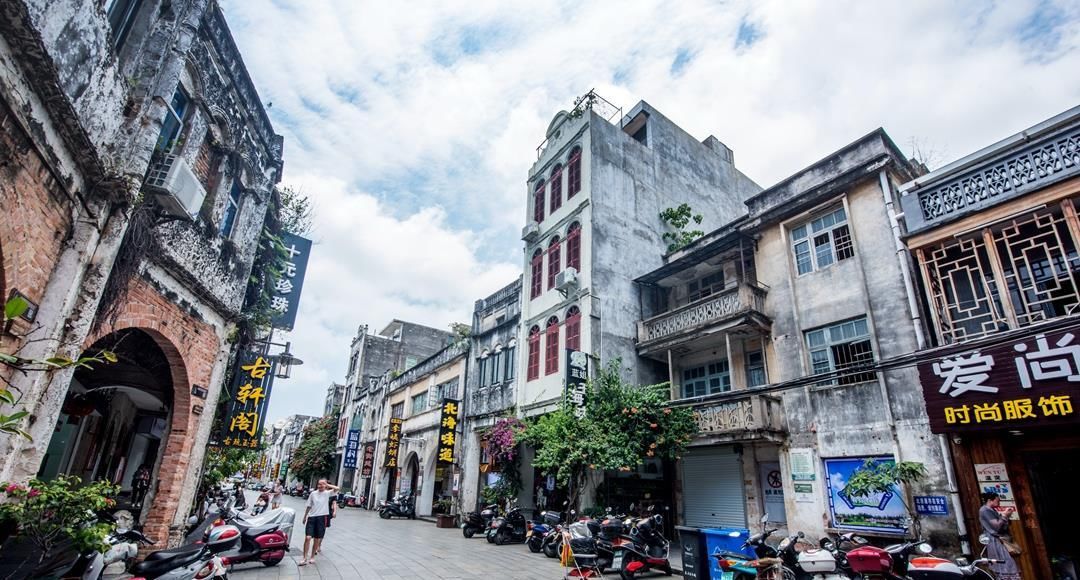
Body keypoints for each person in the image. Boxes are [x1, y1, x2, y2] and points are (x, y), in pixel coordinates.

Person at [979, 492, 1021, 580]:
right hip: (995, 541)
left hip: (999, 540)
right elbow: (997, 526)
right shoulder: (985, 510)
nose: (999, 503)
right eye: (997, 501)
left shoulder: (991, 510)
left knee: (1006, 563)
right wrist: (1005, 515)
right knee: (1004, 563)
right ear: (990, 500)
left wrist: (1006, 517)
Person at [299, 479, 339, 566]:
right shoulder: (313, 494)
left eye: (322, 484)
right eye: (319, 484)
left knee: (317, 539)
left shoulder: (327, 493)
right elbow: (309, 506)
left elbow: (337, 488)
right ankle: (304, 557)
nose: (320, 486)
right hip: (312, 517)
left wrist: (327, 485)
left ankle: (312, 557)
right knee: (308, 538)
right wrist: (305, 516)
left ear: (325, 485)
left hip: (322, 518)